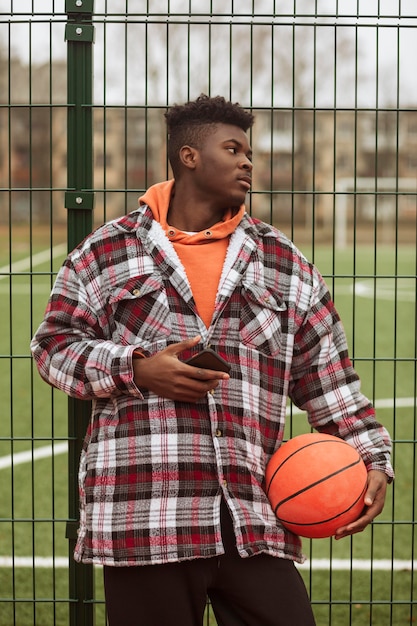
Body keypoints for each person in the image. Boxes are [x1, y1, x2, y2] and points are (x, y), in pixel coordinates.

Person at [31, 94, 394, 626]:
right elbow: (54, 348)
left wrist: (373, 457)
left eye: (249, 151)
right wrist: (136, 368)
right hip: (145, 511)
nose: (248, 161)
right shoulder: (105, 252)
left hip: (252, 514)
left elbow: (328, 379)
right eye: (233, 148)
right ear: (188, 156)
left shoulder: (283, 262)